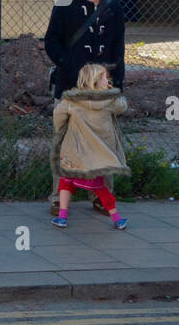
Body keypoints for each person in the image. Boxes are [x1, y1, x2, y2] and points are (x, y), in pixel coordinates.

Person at [44, 0, 125, 216]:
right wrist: (70, 65)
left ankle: (102, 197)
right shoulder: (66, 2)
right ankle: (58, 198)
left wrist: (116, 82)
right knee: (64, 141)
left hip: (102, 89)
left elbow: (118, 48)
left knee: (103, 141)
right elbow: (51, 41)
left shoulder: (114, 8)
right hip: (70, 87)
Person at [51, 63, 129, 229]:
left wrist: (61, 130)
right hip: (97, 154)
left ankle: (62, 217)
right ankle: (117, 218)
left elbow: (58, 114)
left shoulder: (72, 99)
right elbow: (123, 106)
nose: (107, 80)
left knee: (65, 182)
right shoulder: (109, 100)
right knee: (100, 187)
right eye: (104, 77)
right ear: (96, 80)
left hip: (75, 151)